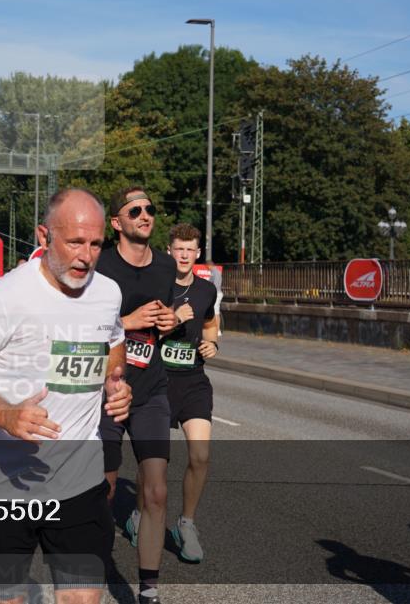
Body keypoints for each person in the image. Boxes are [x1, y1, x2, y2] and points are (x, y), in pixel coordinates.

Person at [0, 188, 132, 604]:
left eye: (96, 244)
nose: (86, 256)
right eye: (75, 242)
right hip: (5, 480)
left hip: (80, 478)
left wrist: (114, 381)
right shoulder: (6, 298)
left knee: (82, 598)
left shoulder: (108, 293)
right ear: (44, 237)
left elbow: (114, 340)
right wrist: (5, 415)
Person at [95, 186, 177, 604]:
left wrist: (167, 320)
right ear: (117, 222)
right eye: (135, 210)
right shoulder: (101, 265)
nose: (146, 215)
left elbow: (170, 318)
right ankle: (91, 569)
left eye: (150, 208)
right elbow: (84, 325)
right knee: (104, 490)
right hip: (105, 392)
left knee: (157, 490)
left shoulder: (165, 266)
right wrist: (127, 321)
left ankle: (148, 590)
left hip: (150, 391)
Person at [163, 223, 220, 564]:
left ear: (197, 253)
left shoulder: (205, 291)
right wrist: (171, 319)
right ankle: (142, 512)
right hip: (158, 380)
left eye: (190, 250)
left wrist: (213, 342)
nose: (184, 255)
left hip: (194, 381)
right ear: (170, 251)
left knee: (200, 456)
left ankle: (186, 524)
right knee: (155, 462)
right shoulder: (157, 285)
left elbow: (211, 323)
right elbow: (140, 328)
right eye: (178, 249)